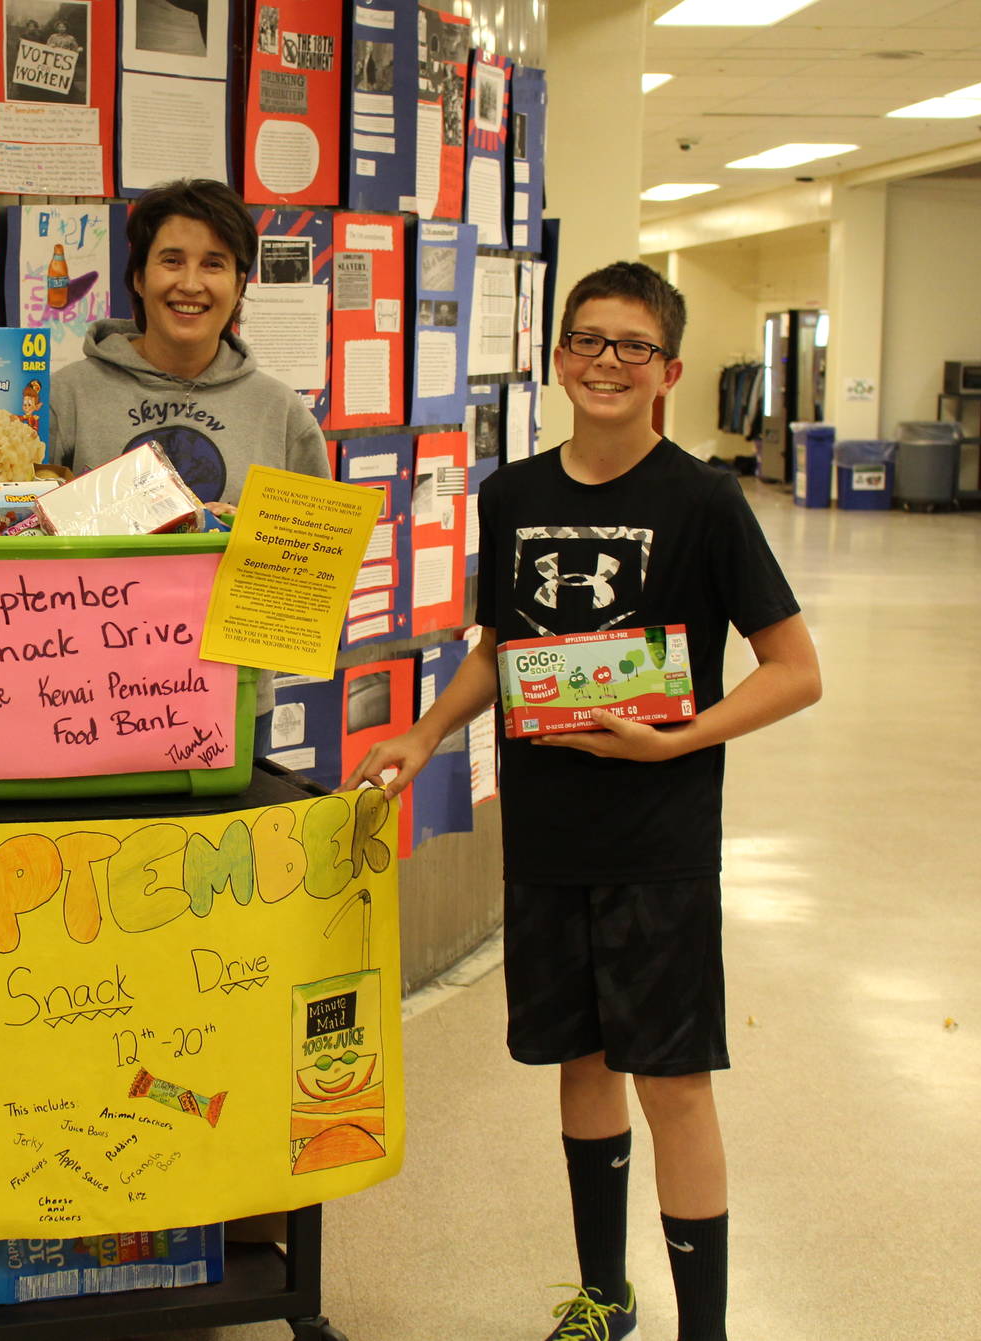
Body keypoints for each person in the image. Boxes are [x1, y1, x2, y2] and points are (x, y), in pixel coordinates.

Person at [349, 262, 820, 1341]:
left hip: (657, 839)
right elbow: (500, 647)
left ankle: (704, 1328)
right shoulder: (511, 494)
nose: (607, 362)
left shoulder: (701, 499)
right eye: (587, 341)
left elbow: (794, 670)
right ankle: (602, 1296)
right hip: (547, 830)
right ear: (557, 355)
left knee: (673, 1080)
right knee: (580, 1058)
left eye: (632, 347)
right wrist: (424, 731)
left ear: (669, 370)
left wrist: (677, 743)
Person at [48, 176, 329, 511]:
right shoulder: (66, 397)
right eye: (172, 261)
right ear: (139, 277)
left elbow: (316, 554)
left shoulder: (281, 412)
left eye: (213, 264)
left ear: (239, 285)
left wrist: (242, 533)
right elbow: (17, 535)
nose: (191, 284)